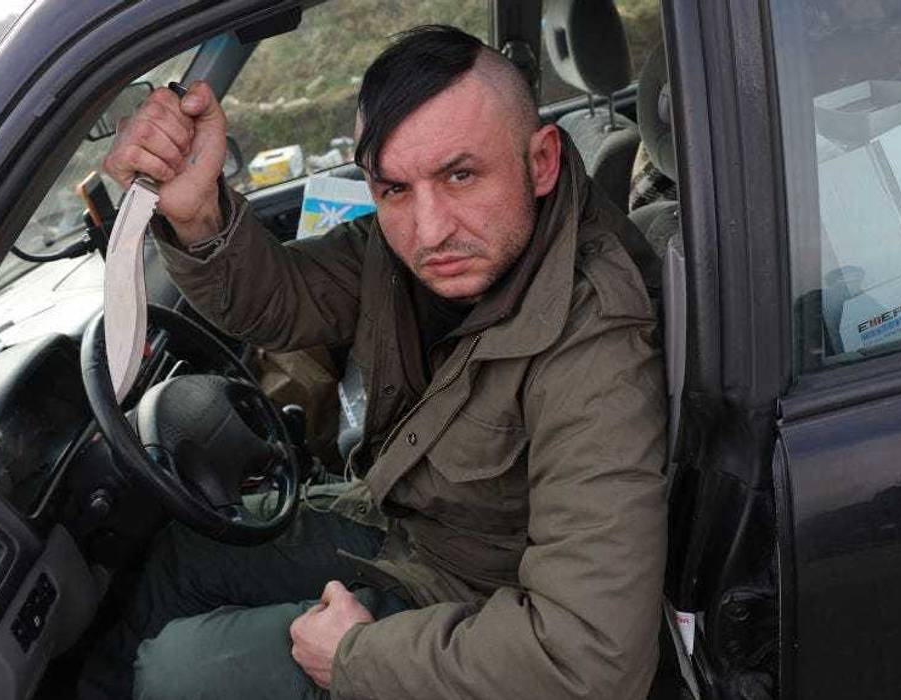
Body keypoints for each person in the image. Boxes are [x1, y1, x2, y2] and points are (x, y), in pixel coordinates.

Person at [92, 24, 668, 700]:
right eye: (393, 189)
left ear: (540, 162)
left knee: (181, 674)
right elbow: (283, 301)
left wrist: (356, 657)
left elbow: (588, 659)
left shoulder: (594, 338)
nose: (429, 232)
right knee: (185, 554)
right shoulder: (405, 250)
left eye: (461, 175)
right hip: (407, 524)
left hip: (485, 600)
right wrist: (197, 216)